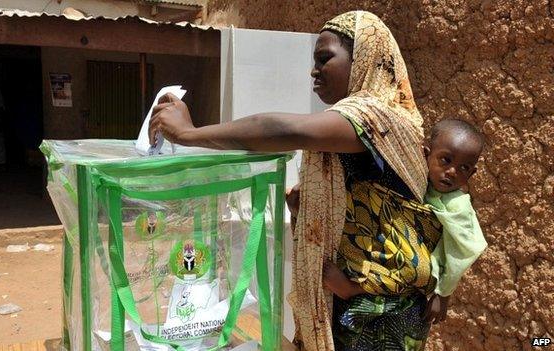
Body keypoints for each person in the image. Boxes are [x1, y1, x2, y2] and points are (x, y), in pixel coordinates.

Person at [149, 11, 442, 351]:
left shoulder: (380, 118)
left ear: (364, 60)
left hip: (380, 314)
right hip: (357, 298)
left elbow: (287, 131)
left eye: (324, 58)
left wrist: (191, 134)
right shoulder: (366, 125)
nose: (314, 71)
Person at [421, 119, 488, 325]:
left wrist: (443, 294)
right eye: (446, 160)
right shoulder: (418, 182)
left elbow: (462, 252)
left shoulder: (457, 206)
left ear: (472, 174)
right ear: (426, 154)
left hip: (426, 286)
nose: (452, 172)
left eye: (464, 168)